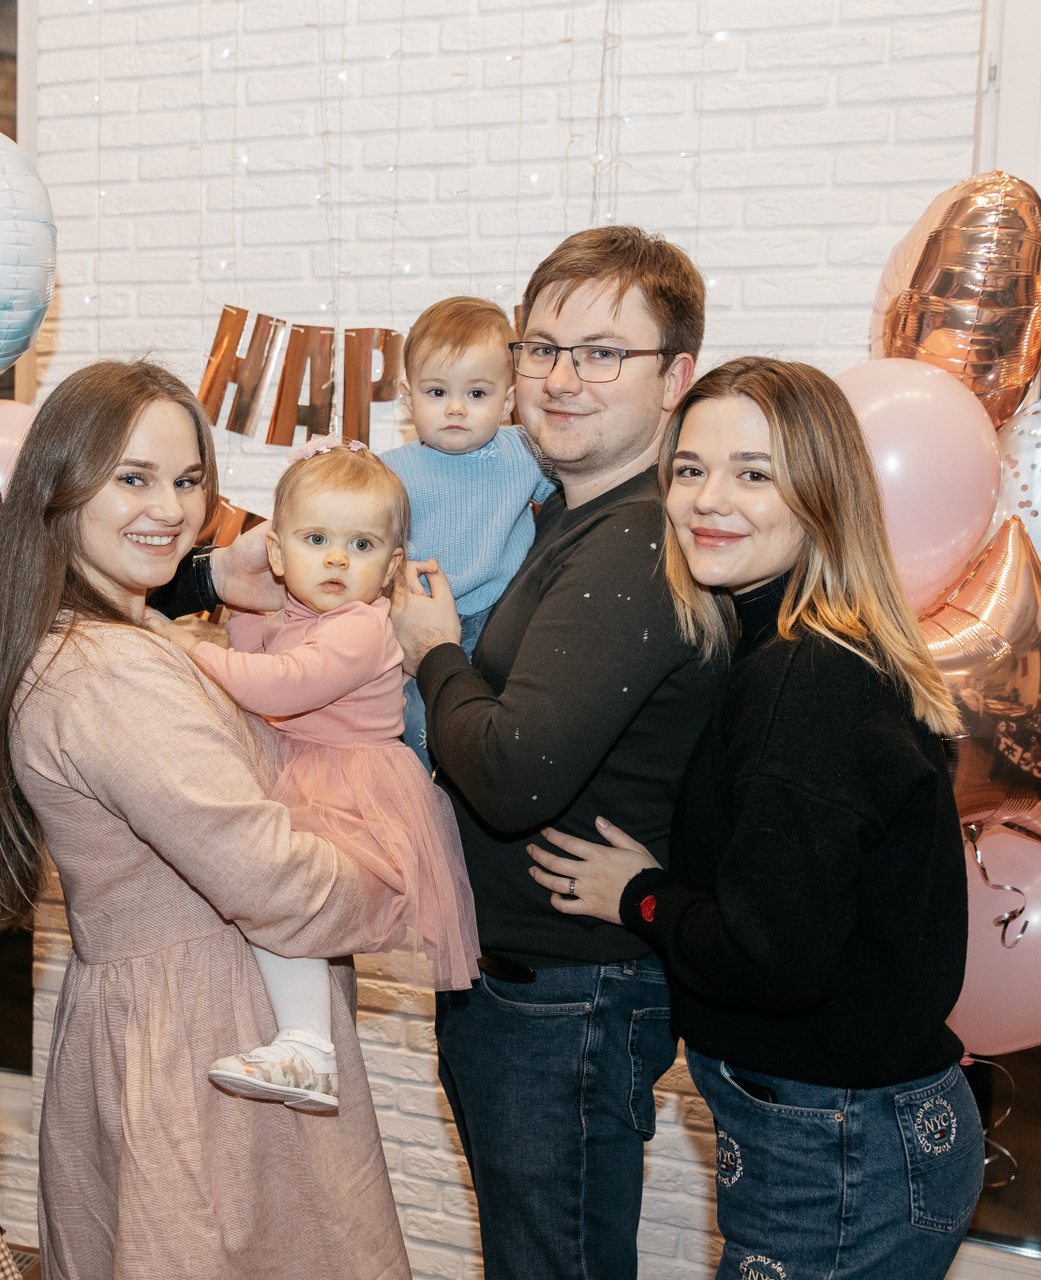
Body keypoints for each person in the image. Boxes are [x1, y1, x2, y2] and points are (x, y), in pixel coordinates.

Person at [527, 356, 984, 1278]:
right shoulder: (796, 648)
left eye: (753, 474)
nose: (708, 500)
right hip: (847, 1132)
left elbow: (771, 954)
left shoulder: (806, 678)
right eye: (690, 469)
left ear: (822, 495)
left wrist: (641, 896)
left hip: (840, 1147)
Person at [0, 360, 414, 1279]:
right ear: (60, 486)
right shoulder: (110, 673)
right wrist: (394, 878)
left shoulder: (111, 639)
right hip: (201, 1039)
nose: (169, 509)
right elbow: (270, 875)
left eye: (186, 480)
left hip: (193, 1023)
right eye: (133, 478)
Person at [389, 226, 724, 1279]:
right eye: (541, 348)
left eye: (602, 353)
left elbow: (510, 772)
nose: (561, 379)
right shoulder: (563, 520)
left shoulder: (634, 541)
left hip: (567, 1000)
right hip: (528, 989)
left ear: (675, 377)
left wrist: (433, 650)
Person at [145, 438, 481, 1112]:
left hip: (350, 789)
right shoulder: (299, 614)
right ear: (277, 553)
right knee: (274, 900)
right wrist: (247, 615)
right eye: (316, 539)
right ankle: (301, 1038)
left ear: (390, 568)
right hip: (305, 769)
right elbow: (255, 649)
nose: (335, 559)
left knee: (284, 897)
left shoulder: (360, 628)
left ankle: (307, 1045)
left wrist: (183, 647)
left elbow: (280, 686)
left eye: (361, 546)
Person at [382, 296, 555, 770]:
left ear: (508, 400)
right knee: (415, 722)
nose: (456, 408)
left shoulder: (524, 452)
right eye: (437, 392)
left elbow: (583, 490)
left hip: (506, 616)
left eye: (477, 394)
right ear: (408, 396)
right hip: (421, 621)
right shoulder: (388, 471)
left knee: (501, 724)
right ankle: (421, 794)